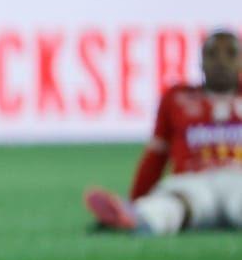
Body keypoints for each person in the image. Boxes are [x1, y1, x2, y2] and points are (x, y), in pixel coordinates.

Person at [85, 30, 242, 235]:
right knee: (174, 204)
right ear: (200, 62)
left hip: (238, 178)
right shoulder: (177, 99)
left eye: (231, 54)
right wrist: (137, 197)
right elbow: (156, 156)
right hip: (193, 180)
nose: (221, 62)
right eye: (212, 54)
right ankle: (135, 216)